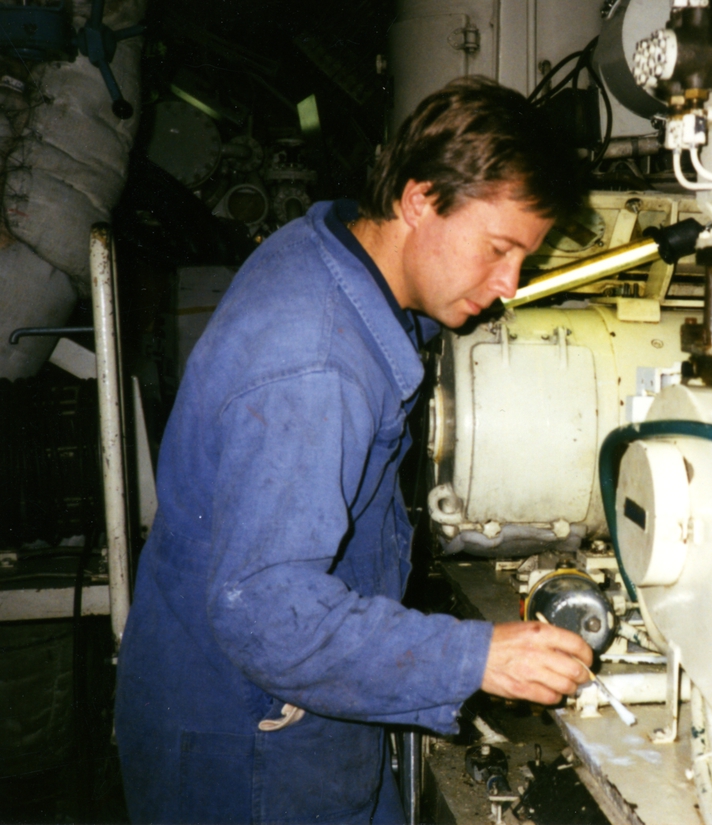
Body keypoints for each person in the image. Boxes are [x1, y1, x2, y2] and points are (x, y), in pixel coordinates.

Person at [114, 77, 594, 824]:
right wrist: (479, 657)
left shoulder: (332, 252)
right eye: (499, 249)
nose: (508, 285)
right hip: (250, 745)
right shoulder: (315, 363)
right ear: (419, 199)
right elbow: (269, 615)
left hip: (279, 709)